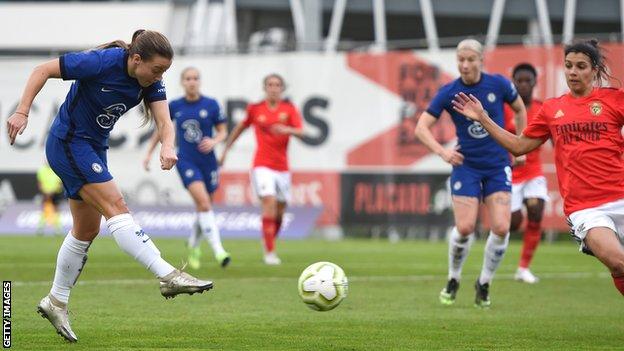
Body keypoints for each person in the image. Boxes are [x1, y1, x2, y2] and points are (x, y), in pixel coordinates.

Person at [6, 30, 214, 343]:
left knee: (86, 230)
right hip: (69, 144)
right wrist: (22, 111)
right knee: (117, 207)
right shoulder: (100, 62)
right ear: (136, 59)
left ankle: (56, 301)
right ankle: (168, 275)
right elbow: (42, 70)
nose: (161, 77)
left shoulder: (150, 79)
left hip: (93, 148)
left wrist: (168, 146)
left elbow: (164, 121)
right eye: (157, 69)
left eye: (165, 71)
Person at [451, 39, 624, 297]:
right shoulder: (552, 109)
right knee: (618, 262)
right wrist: (484, 118)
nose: (573, 72)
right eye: (568, 66)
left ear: (595, 70)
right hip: (586, 208)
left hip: (620, 196)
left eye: (581, 66)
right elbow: (519, 145)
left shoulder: (614, 100)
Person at [414, 39, 527, 307]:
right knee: (465, 227)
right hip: (467, 166)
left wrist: (519, 145)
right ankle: (453, 278)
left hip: (498, 165)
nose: (465, 65)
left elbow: (520, 109)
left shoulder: (498, 84)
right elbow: (421, 128)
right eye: (460, 60)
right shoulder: (449, 92)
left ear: (481, 60)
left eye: (470, 59)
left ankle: (484, 283)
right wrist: (443, 153)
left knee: (501, 226)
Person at [143, 67, 231, 270]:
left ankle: (193, 244)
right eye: (188, 78)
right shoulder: (175, 105)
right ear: (183, 82)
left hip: (208, 161)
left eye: (195, 78)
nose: (192, 82)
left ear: (199, 81)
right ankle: (219, 251)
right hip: (186, 160)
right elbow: (163, 129)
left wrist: (214, 141)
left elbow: (223, 131)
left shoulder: (210, 104)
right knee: (204, 204)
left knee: (204, 206)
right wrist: (149, 152)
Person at [219, 73, 304, 265]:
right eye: (270, 85)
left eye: (277, 85)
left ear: (282, 88)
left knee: (280, 211)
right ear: (265, 88)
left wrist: (287, 130)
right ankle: (270, 252)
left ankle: (269, 238)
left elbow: (301, 131)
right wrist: (225, 150)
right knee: (269, 201)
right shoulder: (255, 109)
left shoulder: (289, 109)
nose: (273, 88)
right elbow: (240, 128)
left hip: (282, 168)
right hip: (262, 166)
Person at [503, 63, 548, 284]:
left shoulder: (542, 108)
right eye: (518, 81)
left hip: (534, 171)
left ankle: (523, 268)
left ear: (534, 83)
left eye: (526, 81)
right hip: (510, 174)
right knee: (512, 223)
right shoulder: (504, 108)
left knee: (536, 211)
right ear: (513, 82)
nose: (522, 85)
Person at [36, 161, 64, 235]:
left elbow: (59, 183)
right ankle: (40, 228)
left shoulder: (56, 169)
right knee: (45, 209)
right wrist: (46, 192)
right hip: (45, 193)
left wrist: (52, 191)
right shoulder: (41, 170)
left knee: (56, 210)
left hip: (55, 193)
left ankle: (58, 229)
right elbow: (40, 183)